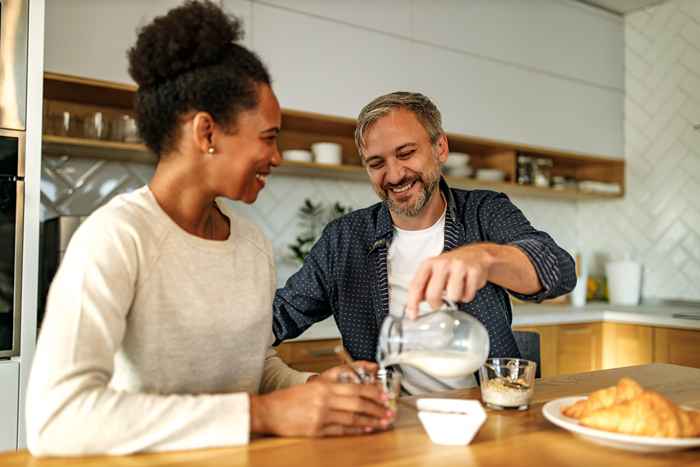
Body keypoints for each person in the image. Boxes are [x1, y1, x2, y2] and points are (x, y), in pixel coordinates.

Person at [25, 1, 392, 457]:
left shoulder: (251, 243)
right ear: (207, 133)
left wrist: (317, 388)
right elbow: (57, 419)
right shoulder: (117, 237)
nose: (276, 157)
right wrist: (264, 415)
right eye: (269, 137)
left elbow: (253, 367)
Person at [273, 92, 577, 391]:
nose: (393, 175)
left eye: (406, 154)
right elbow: (278, 316)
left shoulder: (484, 212)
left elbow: (559, 271)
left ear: (440, 147)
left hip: (486, 410)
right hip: (387, 419)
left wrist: (486, 258)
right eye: (376, 163)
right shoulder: (344, 239)